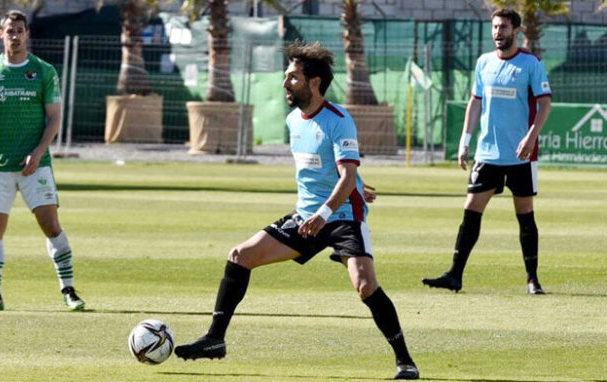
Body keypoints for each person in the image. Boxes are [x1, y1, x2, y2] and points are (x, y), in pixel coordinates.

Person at [174, 41, 419, 380]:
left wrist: (335, 204)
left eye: (292, 77)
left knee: (365, 285)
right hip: (305, 217)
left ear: (314, 82)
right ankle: (215, 339)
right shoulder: (293, 120)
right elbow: (334, 171)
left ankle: (405, 361)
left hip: (343, 216)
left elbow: (346, 175)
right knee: (240, 255)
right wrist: (337, 196)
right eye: (286, 77)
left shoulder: (340, 119)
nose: (285, 83)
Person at [0, 10, 85, 311]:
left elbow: (54, 118)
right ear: (1, 34)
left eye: (19, 30)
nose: (14, 36)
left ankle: (68, 290)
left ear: (27, 34)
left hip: (35, 165)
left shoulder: (43, 71)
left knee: (50, 224)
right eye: (9, 31)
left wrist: (39, 151)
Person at [422, 9, 552, 295]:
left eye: (503, 27)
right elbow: (475, 102)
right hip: (487, 153)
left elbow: (545, 104)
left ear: (515, 30)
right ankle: (454, 275)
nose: (497, 32)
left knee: (525, 213)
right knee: (471, 210)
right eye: (494, 27)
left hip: (520, 155)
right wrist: (465, 140)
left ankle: (532, 279)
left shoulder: (531, 64)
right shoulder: (484, 63)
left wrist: (531, 137)